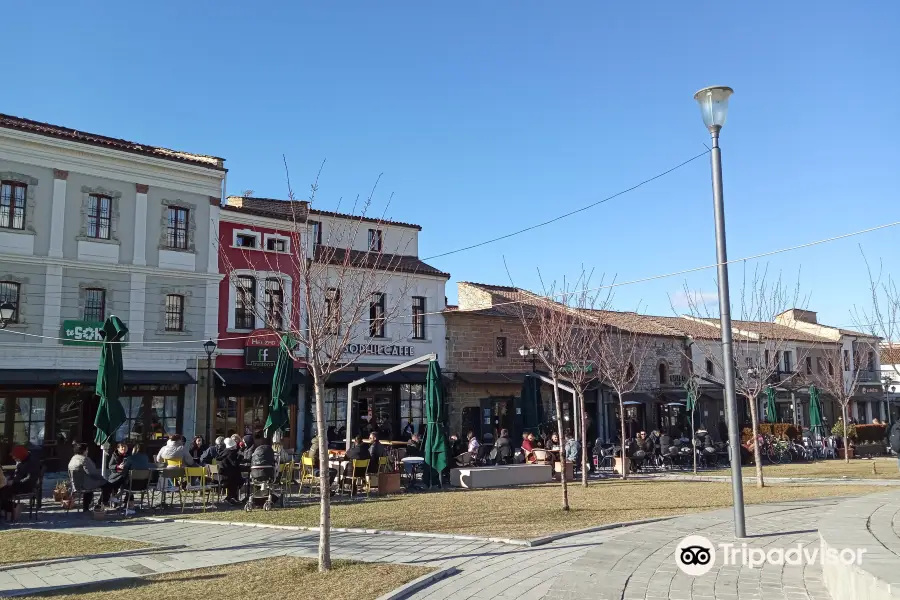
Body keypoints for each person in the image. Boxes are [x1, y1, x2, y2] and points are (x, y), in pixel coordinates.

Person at [67, 443, 115, 511]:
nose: (87, 451)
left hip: (76, 484)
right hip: (85, 484)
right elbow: (92, 473)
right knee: (107, 485)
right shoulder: (84, 459)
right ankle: (102, 503)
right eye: (87, 450)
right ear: (84, 451)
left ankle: (86, 508)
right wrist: (102, 478)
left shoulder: (73, 459)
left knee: (90, 487)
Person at [0, 446, 41, 520]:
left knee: (2, 492)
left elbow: (29, 479)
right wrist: (10, 478)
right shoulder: (22, 461)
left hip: (24, 486)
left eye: (15, 456)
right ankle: (9, 509)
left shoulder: (32, 463)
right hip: (17, 484)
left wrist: (14, 482)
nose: (13, 458)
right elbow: (17, 473)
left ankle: (14, 508)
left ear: (20, 455)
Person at [217, 437, 243, 505]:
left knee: (236, 476)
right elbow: (234, 463)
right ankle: (231, 497)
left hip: (222, 475)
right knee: (238, 478)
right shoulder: (231, 453)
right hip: (228, 477)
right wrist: (240, 457)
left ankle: (232, 497)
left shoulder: (223, 452)